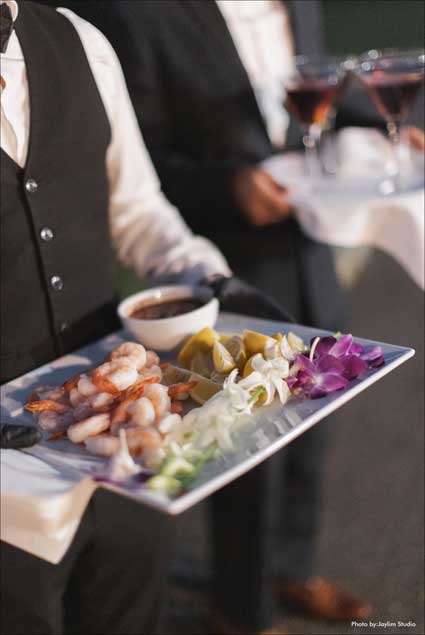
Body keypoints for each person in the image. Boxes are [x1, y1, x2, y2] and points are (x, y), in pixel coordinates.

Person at [48, 1, 412, 633]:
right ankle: (240, 607)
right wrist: (231, 192)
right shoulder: (137, 18)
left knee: (318, 404)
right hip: (227, 248)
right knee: (242, 438)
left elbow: (318, 95)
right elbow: (140, 170)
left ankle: (292, 569)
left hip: (312, 238)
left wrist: (388, 130)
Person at [0, 2, 293, 633]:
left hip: (128, 427)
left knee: (131, 612)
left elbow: (137, 211)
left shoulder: (83, 42)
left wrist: (210, 280)